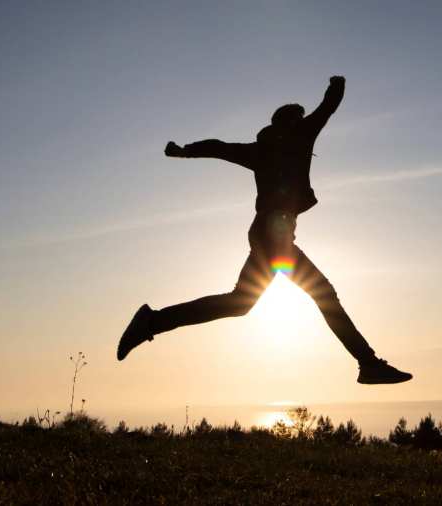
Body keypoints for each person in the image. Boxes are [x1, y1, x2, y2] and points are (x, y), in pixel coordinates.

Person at [117, 76, 412, 384]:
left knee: (241, 302)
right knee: (323, 294)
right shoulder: (299, 137)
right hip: (275, 237)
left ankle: (152, 321)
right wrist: (337, 85)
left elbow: (220, 147)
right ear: (290, 122)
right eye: (299, 117)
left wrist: (184, 151)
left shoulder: (261, 149)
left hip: (267, 234)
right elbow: (326, 109)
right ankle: (368, 363)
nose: (304, 121)